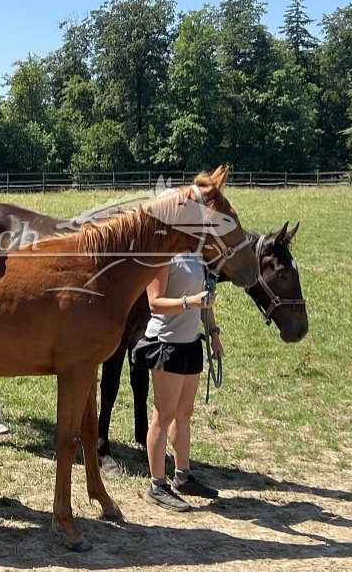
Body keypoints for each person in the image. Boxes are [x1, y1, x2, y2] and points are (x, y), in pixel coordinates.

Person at [132, 191, 223, 511]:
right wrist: (190, 302)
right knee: (164, 414)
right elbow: (155, 302)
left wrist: (213, 332)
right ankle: (157, 485)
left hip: (190, 342)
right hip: (166, 344)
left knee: (184, 414)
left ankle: (182, 475)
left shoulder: (195, 253)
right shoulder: (161, 256)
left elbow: (204, 298)